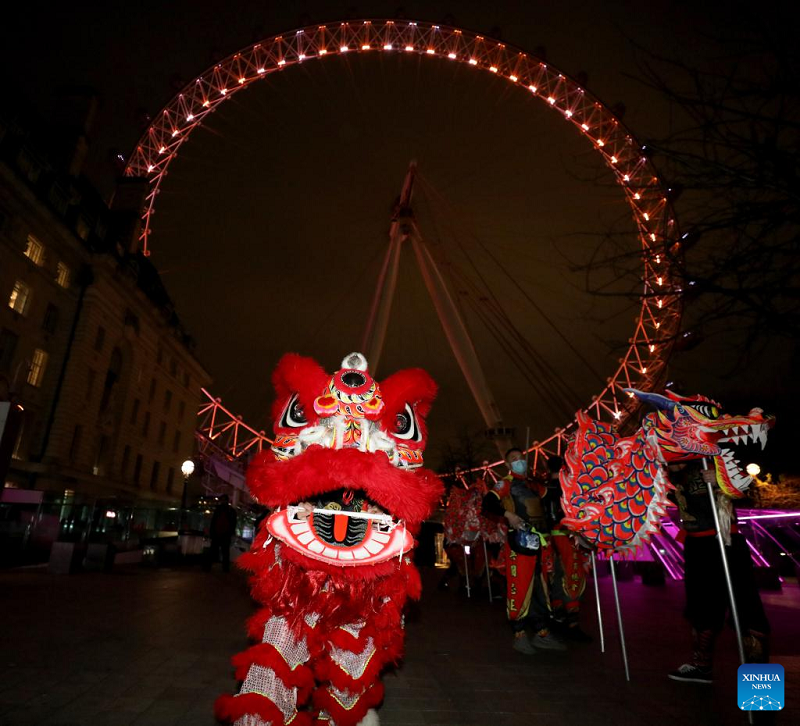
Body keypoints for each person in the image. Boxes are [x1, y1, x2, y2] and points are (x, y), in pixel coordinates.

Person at [666, 461, 770, 684]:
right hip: (696, 547)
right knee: (701, 608)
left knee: (747, 609)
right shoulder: (665, 472)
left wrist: (723, 479)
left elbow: (746, 485)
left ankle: (762, 691)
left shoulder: (711, 457)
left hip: (726, 542)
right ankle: (702, 667)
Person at [482, 447, 565, 654]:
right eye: (514, 459)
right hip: (520, 542)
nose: (520, 462)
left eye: (522, 458)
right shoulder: (505, 484)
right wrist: (508, 515)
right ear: (509, 465)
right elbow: (488, 503)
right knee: (520, 586)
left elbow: (554, 498)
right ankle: (519, 635)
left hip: (541, 543)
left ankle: (542, 633)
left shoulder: (534, 486)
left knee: (540, 587)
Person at [542, 455, 592, 642]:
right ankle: (572, 623)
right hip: (566, 535)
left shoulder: (544, 489)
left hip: (548, 538)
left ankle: (558, 616)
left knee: (554, 575)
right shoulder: (569, 489)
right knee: (573, 575)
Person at [205, 494, 238, 573]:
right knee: (225, 552)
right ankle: (225, 568)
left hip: (218, 533)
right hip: (225, 534)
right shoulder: (230, 510)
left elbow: (214, 521)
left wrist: (212, 532)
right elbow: (233, 523)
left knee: (214, 550)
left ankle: (209, 567)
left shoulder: (218, 510)